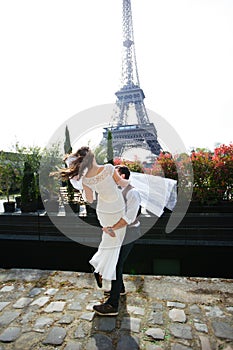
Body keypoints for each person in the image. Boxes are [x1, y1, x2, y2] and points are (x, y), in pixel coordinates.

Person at [57, 146, 130, 287]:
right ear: (93, 157)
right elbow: (121, 183)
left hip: (103, 212)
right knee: (114, 243)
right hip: (117, 208)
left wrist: (85, 190)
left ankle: (100, 269)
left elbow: (90, 200)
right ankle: (100, 269)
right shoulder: (108, 168)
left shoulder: (85, 180)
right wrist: (132, 183)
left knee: (109, 241)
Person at [93, 165, 141, 316]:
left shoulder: (132, 193)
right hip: (118, 231)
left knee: (116, 264)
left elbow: (129, 218)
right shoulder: (116, 191)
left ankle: (113, 305)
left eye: (115, 174)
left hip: (129, 233)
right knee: (114, 262)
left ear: (123, 177)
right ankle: (119, 289)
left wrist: (111, 227)